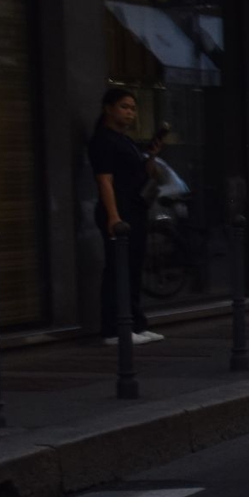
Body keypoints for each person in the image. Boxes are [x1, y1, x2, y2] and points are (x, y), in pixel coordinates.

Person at [86, 86, 163, 344]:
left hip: (136, 209)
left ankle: (136, 324)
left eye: (132, 108)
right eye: (124, 107)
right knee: (118, 269)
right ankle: (114, 329)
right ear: (108, 108)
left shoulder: (126, 140)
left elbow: (143, 173)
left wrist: (152, 155)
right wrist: (113, 217)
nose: (130, 113)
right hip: (119, 212)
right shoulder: (103, 140)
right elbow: (105, 181)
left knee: (133, 268)